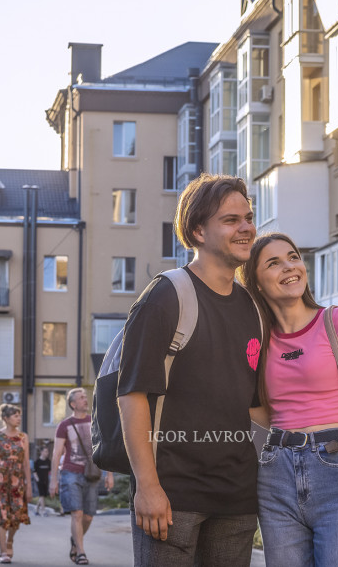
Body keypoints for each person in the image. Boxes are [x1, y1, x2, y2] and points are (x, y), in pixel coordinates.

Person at [117, 174, 263, 566]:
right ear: (198, 230)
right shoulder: (166, 296)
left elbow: (253, 407)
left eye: (249, 217)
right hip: (172, 498)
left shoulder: (252, 308)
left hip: (236, 500)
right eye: (231, 220)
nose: (247, 227)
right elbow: (131, 394)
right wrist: (147, 488)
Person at [238, 232, 338, 567]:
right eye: (274, 263)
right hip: (275, 474)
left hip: (337, 466)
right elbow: (257, 412)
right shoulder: (258, 340)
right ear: (256, 281)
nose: (289, 267)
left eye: (293, 257)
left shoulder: (337, 320)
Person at [50, 388, 113, 566]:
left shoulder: (95, 422)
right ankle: (81, 552)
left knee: (88, 516)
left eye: (86, 397)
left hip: (91, 474)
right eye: (81, 398)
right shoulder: (64, 425)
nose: (86, 400)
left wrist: (109, 474)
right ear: (73, 404)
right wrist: (53, 479)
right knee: (77, 513)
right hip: (70, 472)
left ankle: (75, 541)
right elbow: (56, 454)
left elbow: (104, 449)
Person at [0, 404, 32, 564]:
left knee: (16, 516)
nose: (18, 418)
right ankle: (3, 551)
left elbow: (25, 464)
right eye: (15, 416)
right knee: (1, 516)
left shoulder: (23, 437)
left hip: (17, 483)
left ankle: (10, 540)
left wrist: (29, 486)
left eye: (19, 415)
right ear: (5, 418)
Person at [32, 446, 52, 516]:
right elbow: (34, 472)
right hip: (39, 481)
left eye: (47, 451)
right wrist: (37, 479)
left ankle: (36, 509)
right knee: (42, 495)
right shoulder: (37, 462)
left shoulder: (48, 461)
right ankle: (43, 511)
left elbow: (50, 471)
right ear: (41, 452)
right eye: (45, 451)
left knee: (43, 496)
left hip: (46, 481)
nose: (47, 453)